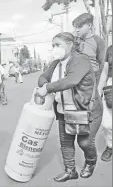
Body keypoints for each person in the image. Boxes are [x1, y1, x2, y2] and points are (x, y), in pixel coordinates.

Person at [36, 32, 103, 182]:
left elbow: (71, 80)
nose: (54, 49)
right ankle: (70, 170)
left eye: (58, 45)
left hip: (85, 110)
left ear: (70, 45)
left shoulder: (80, 60)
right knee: (66, 142)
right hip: (64, 111)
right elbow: (42, 78)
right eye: (53, 45)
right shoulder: (55, 63)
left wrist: (47, 88)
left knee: (84, 142)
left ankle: (90, 162)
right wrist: (45, 84)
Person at [72, 13, 106, 84]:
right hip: (75, 79)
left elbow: (102, 64)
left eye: (80, 26)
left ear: (89, 25)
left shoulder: (98, 41)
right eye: (75, 27)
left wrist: (98, 84)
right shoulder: (73, 41)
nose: (77, 30)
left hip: (91, 79)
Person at [97, 45, 112, 161]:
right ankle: (110, 146)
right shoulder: (110, 49)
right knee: (107, 123)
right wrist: (98, 91)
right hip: (110, 86)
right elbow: (105, 72)